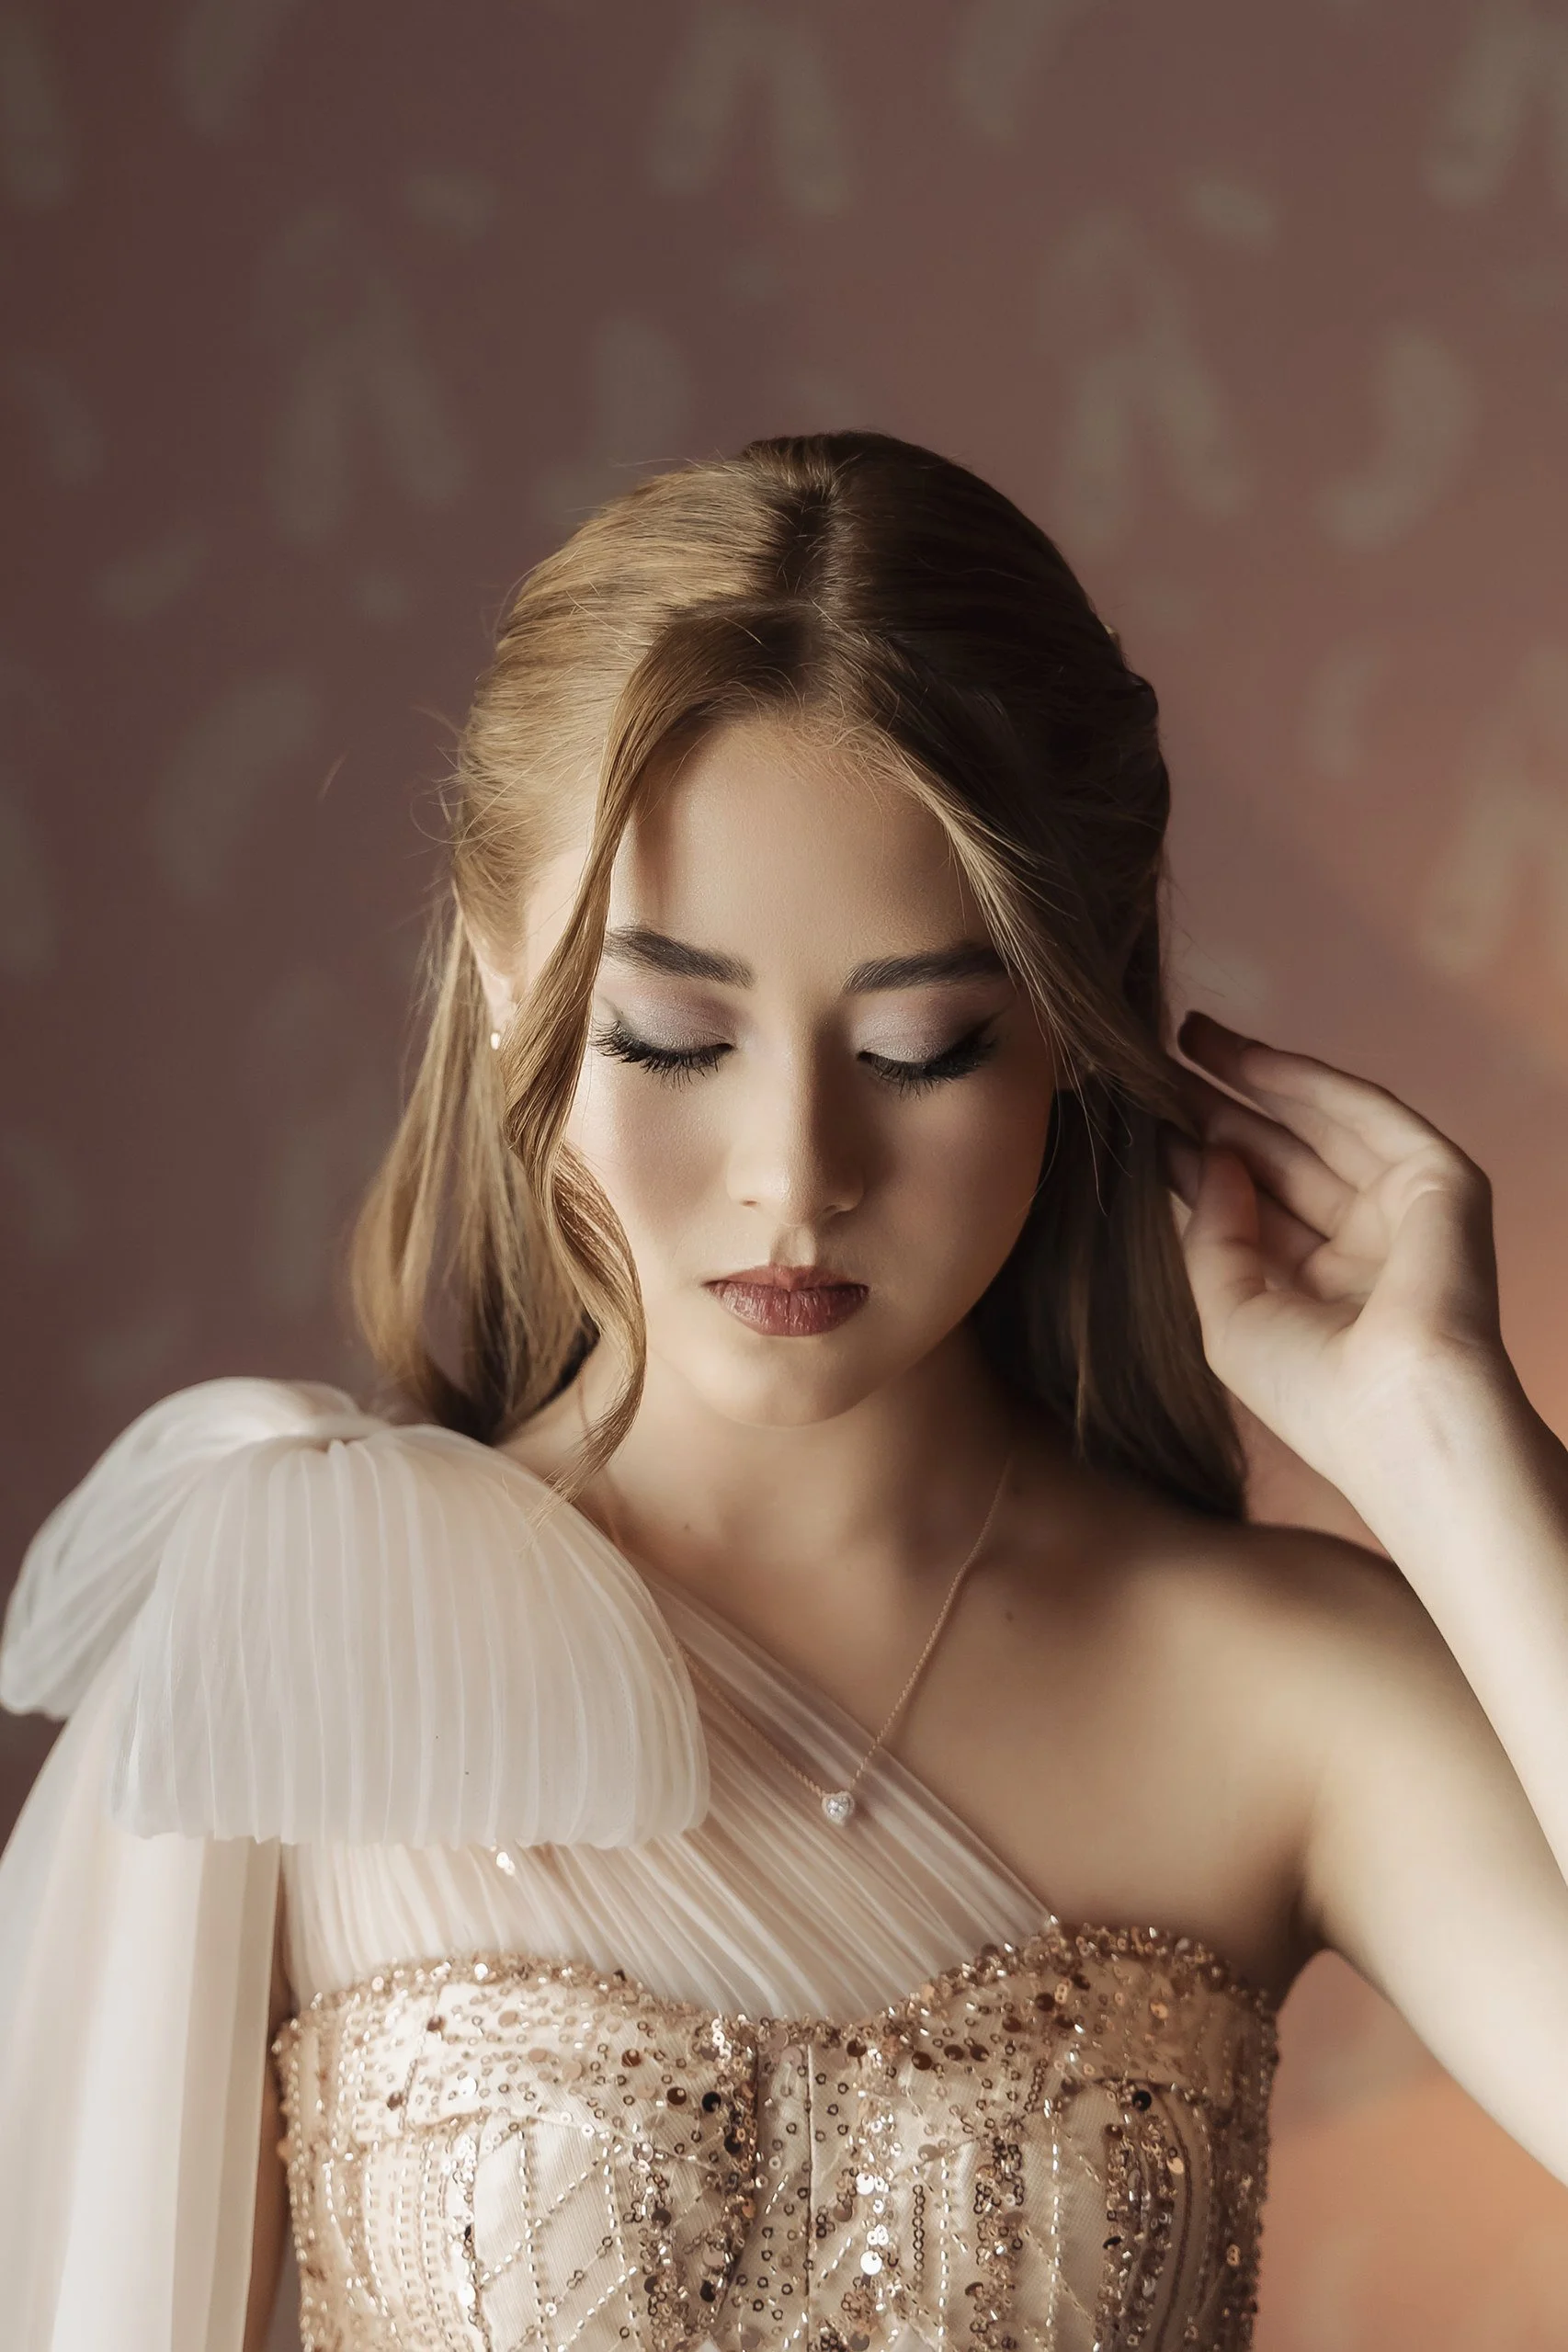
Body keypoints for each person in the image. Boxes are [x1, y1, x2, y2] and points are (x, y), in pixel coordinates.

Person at [3, 431, 1566, 2352]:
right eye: (670, 1037)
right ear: (500, 984)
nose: (795, 1174)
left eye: (922, 1047)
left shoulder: (1283, 1689)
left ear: (1070, 1027)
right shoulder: (302, 1619)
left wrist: (1446, 1437)